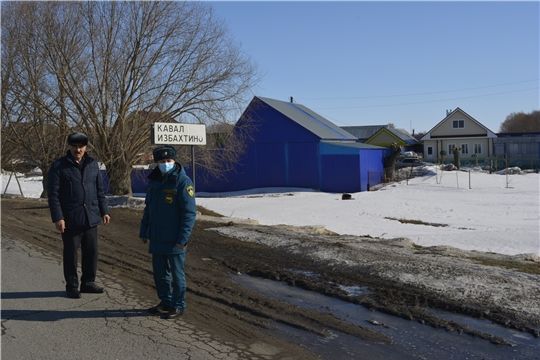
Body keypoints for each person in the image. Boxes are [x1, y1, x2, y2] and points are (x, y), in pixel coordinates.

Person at [48, 132, 111, 299]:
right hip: (70, 219)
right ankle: (72, 286)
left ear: (86, 147)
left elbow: (99, 190)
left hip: (90, 216)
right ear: (69, 146)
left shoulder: (93, 164)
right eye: (75, 146)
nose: (78, 149)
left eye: (81, 146)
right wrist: (58, 218)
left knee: (91, 251)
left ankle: (88, 283)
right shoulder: (59, 166)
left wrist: (104, 210)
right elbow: (53, 195)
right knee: (71, 254)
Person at [139, 146, 196, 320]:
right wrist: (144, 231)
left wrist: (183, 239)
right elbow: (149, 209)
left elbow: (189, 213)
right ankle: (165, 301)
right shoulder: (154, 181)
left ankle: (178, 305)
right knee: (160, 273)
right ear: (156, 163)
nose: (166, 164)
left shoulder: (182, 181)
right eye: (162, 162)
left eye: (169, 161)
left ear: (175, 161)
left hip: (174, 239)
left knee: (177, 274)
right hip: (157, 236)